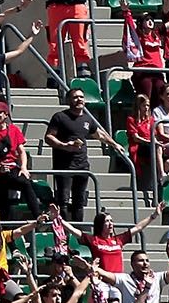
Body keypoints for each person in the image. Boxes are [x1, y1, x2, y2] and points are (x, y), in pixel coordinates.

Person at [44, 88, 122, 221]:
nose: (79, 99)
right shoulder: (60, 117)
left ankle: (77, 232)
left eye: (81, 97)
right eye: (75, 97)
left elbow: (99, 135)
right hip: (64, 167)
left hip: (82, 166)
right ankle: (63, 233)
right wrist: (64, 146)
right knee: (63, 202)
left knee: (79, 203)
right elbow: (48, 137)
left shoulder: (87, 119)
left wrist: (115, 144)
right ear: (69, 100)